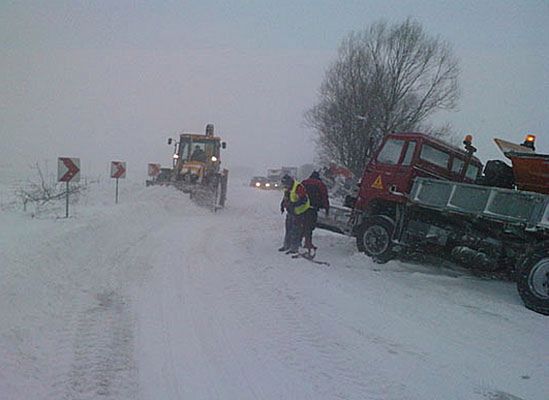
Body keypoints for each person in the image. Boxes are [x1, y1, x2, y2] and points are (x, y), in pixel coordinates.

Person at [278, 174, 310, 254]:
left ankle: (294, 247)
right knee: (288, 228)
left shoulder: (298, 187)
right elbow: (286, 198)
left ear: (289, 182)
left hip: (299, 212)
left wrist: (293, 204)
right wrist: (282, 205)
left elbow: (304, 200)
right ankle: (286, 245)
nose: (285, 186)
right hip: (291, 211)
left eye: (286, 184)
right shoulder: (288, 188)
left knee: (296, 230)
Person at [301, 171, 330, 253]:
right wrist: (326, 208)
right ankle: (307, 243)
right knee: (309, 226)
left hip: (302, 207)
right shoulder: (320, 184)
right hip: (313, 208)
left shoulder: (304, 182)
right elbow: (324, 196)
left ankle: (297, 242)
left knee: (303, 225)